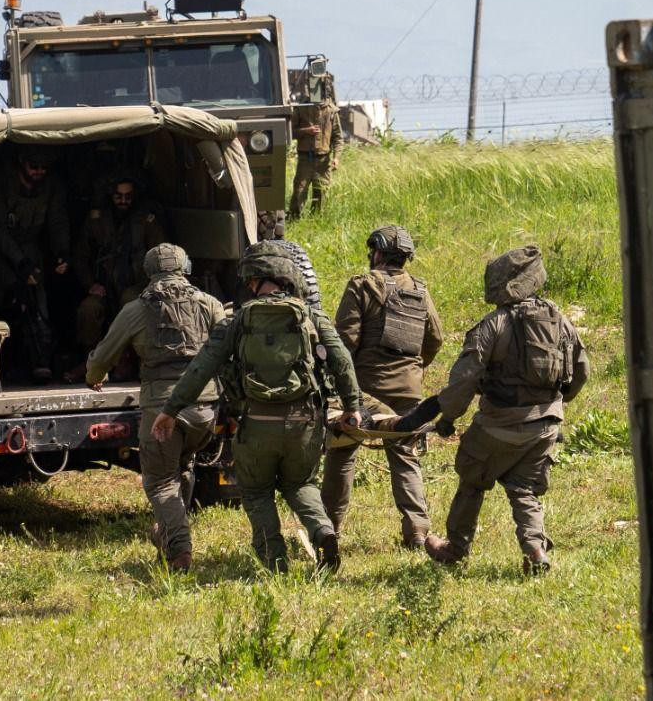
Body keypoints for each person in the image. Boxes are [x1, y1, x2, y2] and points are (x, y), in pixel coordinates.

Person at [152, 241, 362, 573]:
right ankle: (323, 531)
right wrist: (352, 406)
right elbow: (342, 362)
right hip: (304, 423)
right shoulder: (312, 317)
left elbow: (200, 369)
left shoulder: (236, 322)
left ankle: (275, 562)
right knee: (301, 485)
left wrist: (171, 410)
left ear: (253, 280)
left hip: (256, 424)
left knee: (256, 492)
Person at [395, 244, 589, 575]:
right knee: (525, 489)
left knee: (472, 481)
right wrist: (554, 405)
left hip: (498, 425)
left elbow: (464, 379)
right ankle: (535, 551)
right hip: (545, 427)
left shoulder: (493, 324)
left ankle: (455, 549)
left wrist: (447, 418)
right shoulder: (559, 319)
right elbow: (582, 371)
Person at [85, 243, 226, 573]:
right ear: (185, 268)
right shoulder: (210, 303)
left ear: (148, 272)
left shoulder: (135, 310)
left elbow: (104, 355)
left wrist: (94, 376)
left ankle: (179, 550)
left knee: (160, 481)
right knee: (184, 465)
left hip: (162, 411)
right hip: (205, 409)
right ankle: (166, 534)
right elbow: (228, 348)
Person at [322, 225, 444, 548]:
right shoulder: (420, 290)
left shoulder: (361, 285)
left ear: (377, 252)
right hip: (408, 394)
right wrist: (414, 371)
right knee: (405, 456)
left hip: (364, 392)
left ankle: (329, 528)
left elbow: (344, 341)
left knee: (341, 454)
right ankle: (417, 531)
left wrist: (341, 383)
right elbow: (435, 339)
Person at [0, 143, 72, 382]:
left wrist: (62, 252)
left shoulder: (51, 186)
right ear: (22, 163)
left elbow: (57, 221)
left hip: (29, 249)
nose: (39, 171)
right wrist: (19, 263)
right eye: (34, 166)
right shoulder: (0, 183)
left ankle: (40, 360)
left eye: (44, 167)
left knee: (37, 306)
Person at [72, 174, 168, 371]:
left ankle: (128, 358)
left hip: (137, 285)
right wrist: (90, 284)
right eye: (118, 196)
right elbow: (80, 256)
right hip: (104, 286)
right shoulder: (97, 220)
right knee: (88, 310)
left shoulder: (147, 220)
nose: (123, 201)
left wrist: (149, 285)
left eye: (128, 196)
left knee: (130, 304)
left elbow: (161, 256)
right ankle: (90, 360)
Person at [287, 69, 340, 221]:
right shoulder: (302, 108)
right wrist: (306, 131)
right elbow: (289, 133)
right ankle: (294, 220)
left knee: (321, 194)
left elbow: (338, 138)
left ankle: (316, 222)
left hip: (323, 161)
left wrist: (336, 157)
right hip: (306, 159)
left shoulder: (331, 111)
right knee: (299, 192)